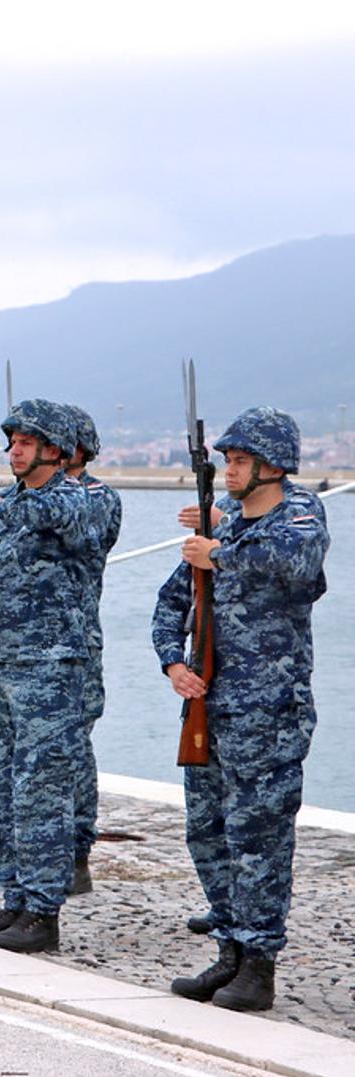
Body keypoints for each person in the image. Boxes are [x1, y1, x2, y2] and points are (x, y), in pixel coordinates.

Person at [153, 407, 328, 1012]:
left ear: (273, 466)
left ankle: (259, 964)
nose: (230, 470)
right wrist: (173, 664)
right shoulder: (217, 533)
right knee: (208, 832)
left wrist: (219, 551)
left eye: (241, 460)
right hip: (208, 709)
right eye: (226, 460)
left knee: (260, 837)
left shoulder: (298, 514)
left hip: (268, 711)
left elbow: (296, 561)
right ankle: (228, 950)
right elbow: (170, 602)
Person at [0, 398, 91, 953]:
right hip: (0, 669)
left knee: (43, 793)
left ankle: (43, 910)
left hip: (51, 671)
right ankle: (14, 897)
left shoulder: (75, 498)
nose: (15, 452)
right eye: (12, 444)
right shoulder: (2, 508)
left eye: (26, 444)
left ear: (54, 450)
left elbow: (67, 519)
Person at [58, 404, 120, 896]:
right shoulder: (24, 498)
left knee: (74, 750)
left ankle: (78, 849)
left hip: (75, 644)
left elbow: (87, 537)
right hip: (19, 649)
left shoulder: (97, 498)